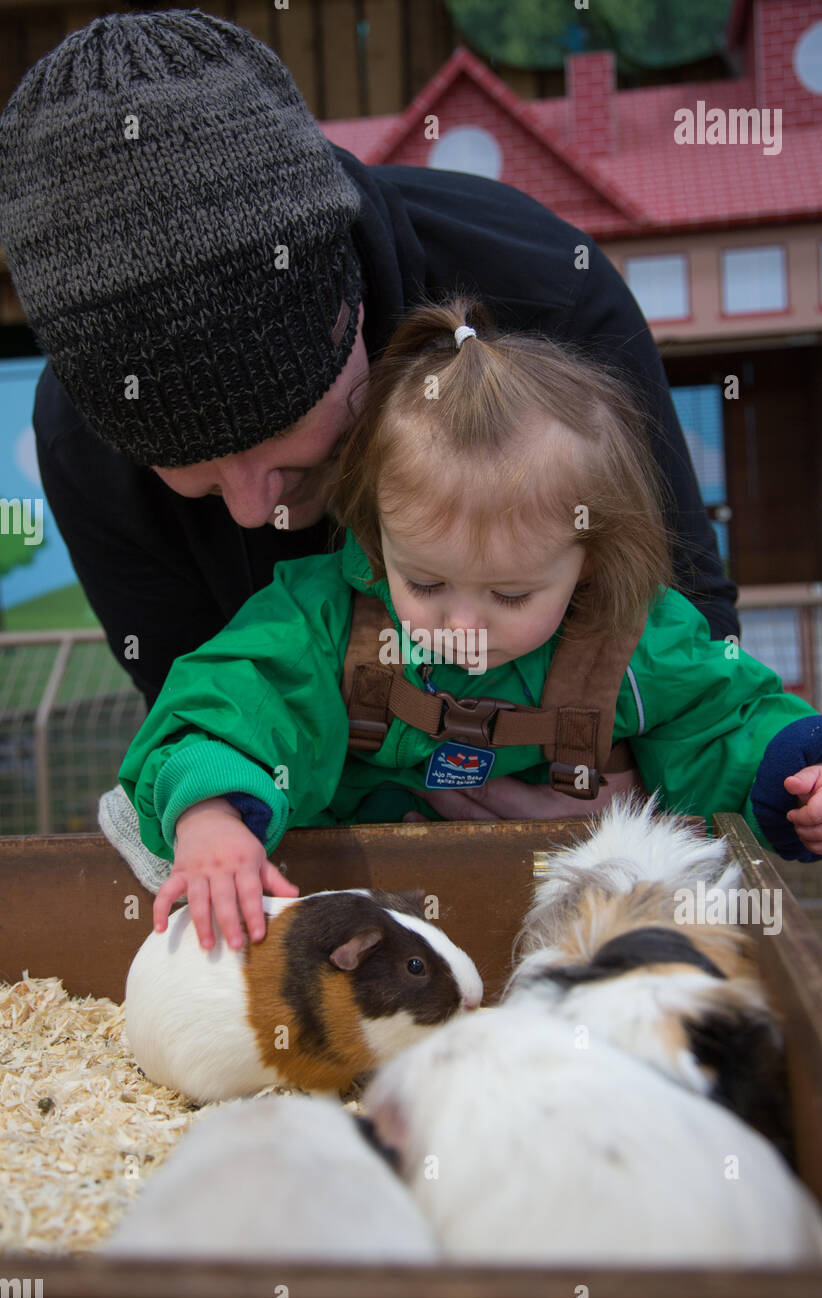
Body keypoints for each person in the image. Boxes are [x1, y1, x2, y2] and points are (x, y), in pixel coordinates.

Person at [0, 9, 737, 787]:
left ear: (347, 314)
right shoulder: (80, 434)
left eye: (279, 442)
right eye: (199, 477)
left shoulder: (545, 291)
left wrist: (623, 798)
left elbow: (687, 619)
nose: (252, 511)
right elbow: (189, 700)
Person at [115, 295, 822, 951]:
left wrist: (800, 779)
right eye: (428, 581)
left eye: (510, 595)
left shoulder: (627, 638)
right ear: (378, 541)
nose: (462, 624)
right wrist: (212, 812)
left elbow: (720, 723)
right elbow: (237, 698)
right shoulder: (329, 620)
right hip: (364, 927)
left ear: (590, 562)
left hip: (550, 918)